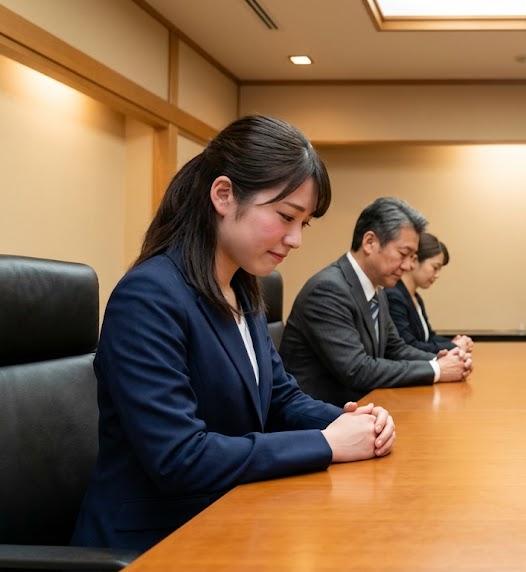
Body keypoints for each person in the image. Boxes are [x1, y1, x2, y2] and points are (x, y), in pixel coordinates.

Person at [71, 115, 395, 552]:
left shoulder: (242, 287)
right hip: (153, 543)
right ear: (223, 195)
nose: (296, 239)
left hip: (227, 518)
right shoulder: (149, 296)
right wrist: (325, 443)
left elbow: (279, 397)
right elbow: (179, 457)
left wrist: (349, 422)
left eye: (304, 224)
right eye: (285, 216)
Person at [280, 198, 472, 406]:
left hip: (361, 409)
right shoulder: (328, 290)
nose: (408, 265)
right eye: (403, 254)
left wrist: (441, 359)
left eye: (412, 257)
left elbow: (395, 348)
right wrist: (437, 370)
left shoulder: (377, 290)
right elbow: (358, 370)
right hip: (319, 419)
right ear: (370, 242)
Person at [385, 232, 474, 354]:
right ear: (414, 261)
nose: (437, 275)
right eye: (435, 267)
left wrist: (454, 343)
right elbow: (408, 346)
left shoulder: (415, 297)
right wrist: (453, 346)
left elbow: (428, 337)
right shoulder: (394, 296)